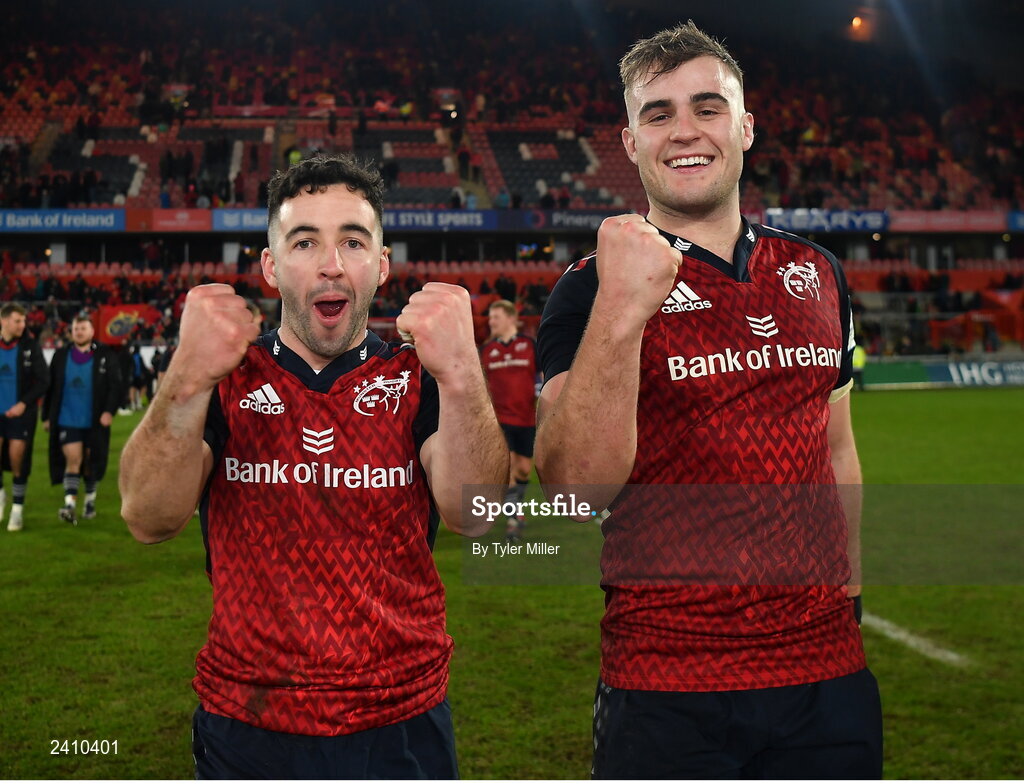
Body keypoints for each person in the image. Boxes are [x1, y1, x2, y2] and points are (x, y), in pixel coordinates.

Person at [535, 22, 881, 779]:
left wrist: (851, 592)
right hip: (665, 682)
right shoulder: (586, 288)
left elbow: (837, 447)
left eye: (707, 107)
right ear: (629, 143)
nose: (683, 131)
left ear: (746, 127)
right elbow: (570, 487)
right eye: (657, 114)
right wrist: (623, 308)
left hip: (826, 676)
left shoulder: (815, 270)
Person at [119, 154, 507, 779]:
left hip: (400, 715)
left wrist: (461, 373)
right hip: (248, 718)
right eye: (305, 242)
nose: (331, 264)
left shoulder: (415, 376)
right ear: (271, 267)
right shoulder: (229, 376)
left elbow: (475, 514)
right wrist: (187, 376)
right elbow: (147, 517)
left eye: (353, 241)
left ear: (381, 265)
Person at [43, 314, 121, 525]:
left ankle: (89, 501)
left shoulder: (105, 354)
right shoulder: (60, 355)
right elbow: (50, 388)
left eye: (83, 328)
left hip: (95, 420)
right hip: (67, 418)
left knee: (90, 462)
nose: (79, 332)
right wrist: (47, 416)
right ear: (71, 331)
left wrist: (108, 411)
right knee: (73, 459)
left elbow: (116, 385)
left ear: (92, 331)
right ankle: (69, 505)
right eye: (76, 328)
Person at [480, 300, 540, 541]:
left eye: (495, 317)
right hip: (499, 419)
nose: (490, 322)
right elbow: (481, 384)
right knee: (509, 470)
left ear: (509, 318)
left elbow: (544, 375)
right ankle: (513, 521)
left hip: (526, 418)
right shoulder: (486, 350)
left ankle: (515, 509)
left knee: (524, 469)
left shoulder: (529, 346)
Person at [0, 303, 49, 532]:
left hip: (21, 415)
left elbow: (43, 381)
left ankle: (17, 509)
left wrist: (23, 404)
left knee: (17, 458)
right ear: (4, 321)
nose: (22, 325)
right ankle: (1, 495)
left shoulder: (30, 346)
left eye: (23, 321)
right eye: (18, 321)